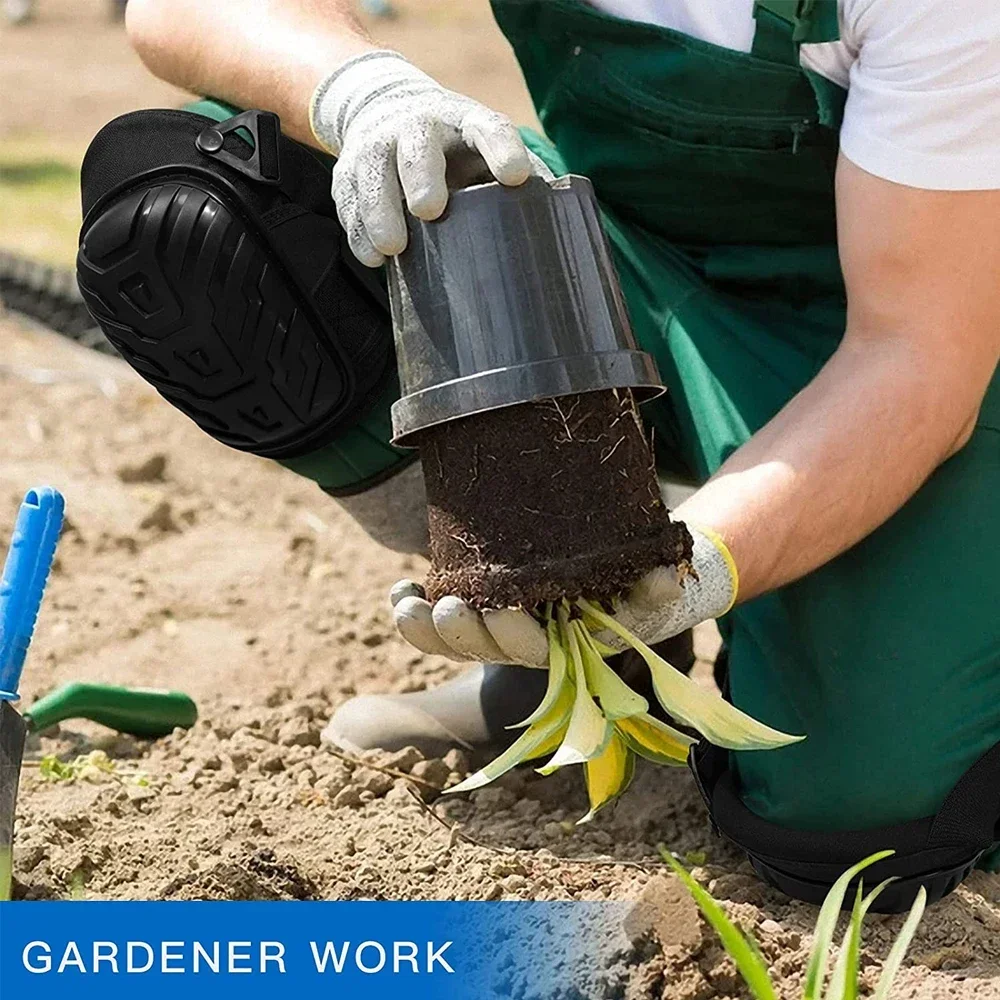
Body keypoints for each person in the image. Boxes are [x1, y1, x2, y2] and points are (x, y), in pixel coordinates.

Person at [93, 0, 1000, 908]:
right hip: (623, 266)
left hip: (926, 333)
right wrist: (367, 92)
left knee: (861, 823)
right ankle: (556, 613)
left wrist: (699, 562)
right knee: (202, 208)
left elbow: (917, 358)